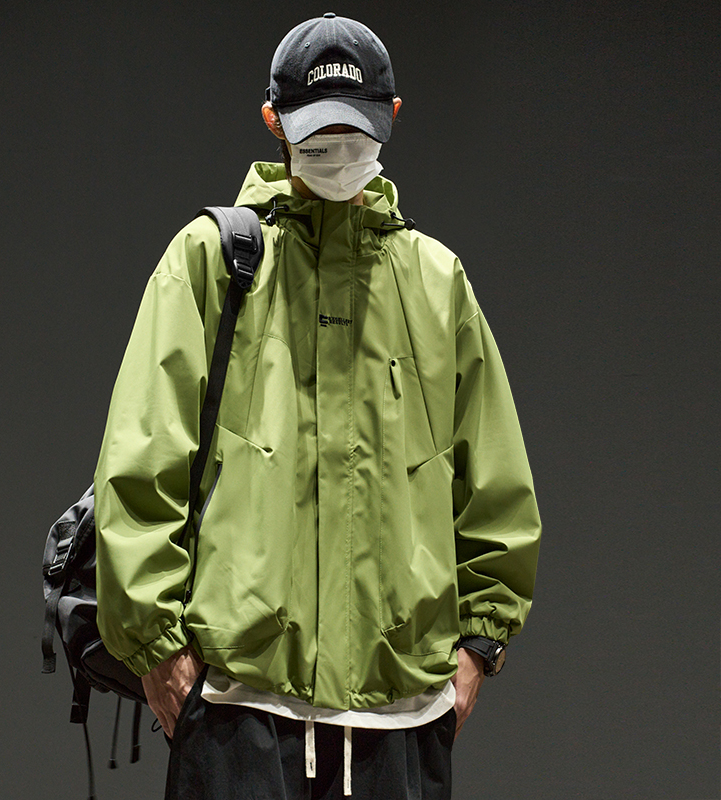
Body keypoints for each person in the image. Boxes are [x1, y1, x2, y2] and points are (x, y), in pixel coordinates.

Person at [94, 12, 541, 800]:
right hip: (238, 708)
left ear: (391, 117)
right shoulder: (210, 263)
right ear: (274, 122)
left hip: (399, 715)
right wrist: (158, 649)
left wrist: (479, 646)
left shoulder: (436, 282)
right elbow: (141, 465)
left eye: (355, 130)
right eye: (317, 132)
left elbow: (495, 486)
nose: (338, 150)